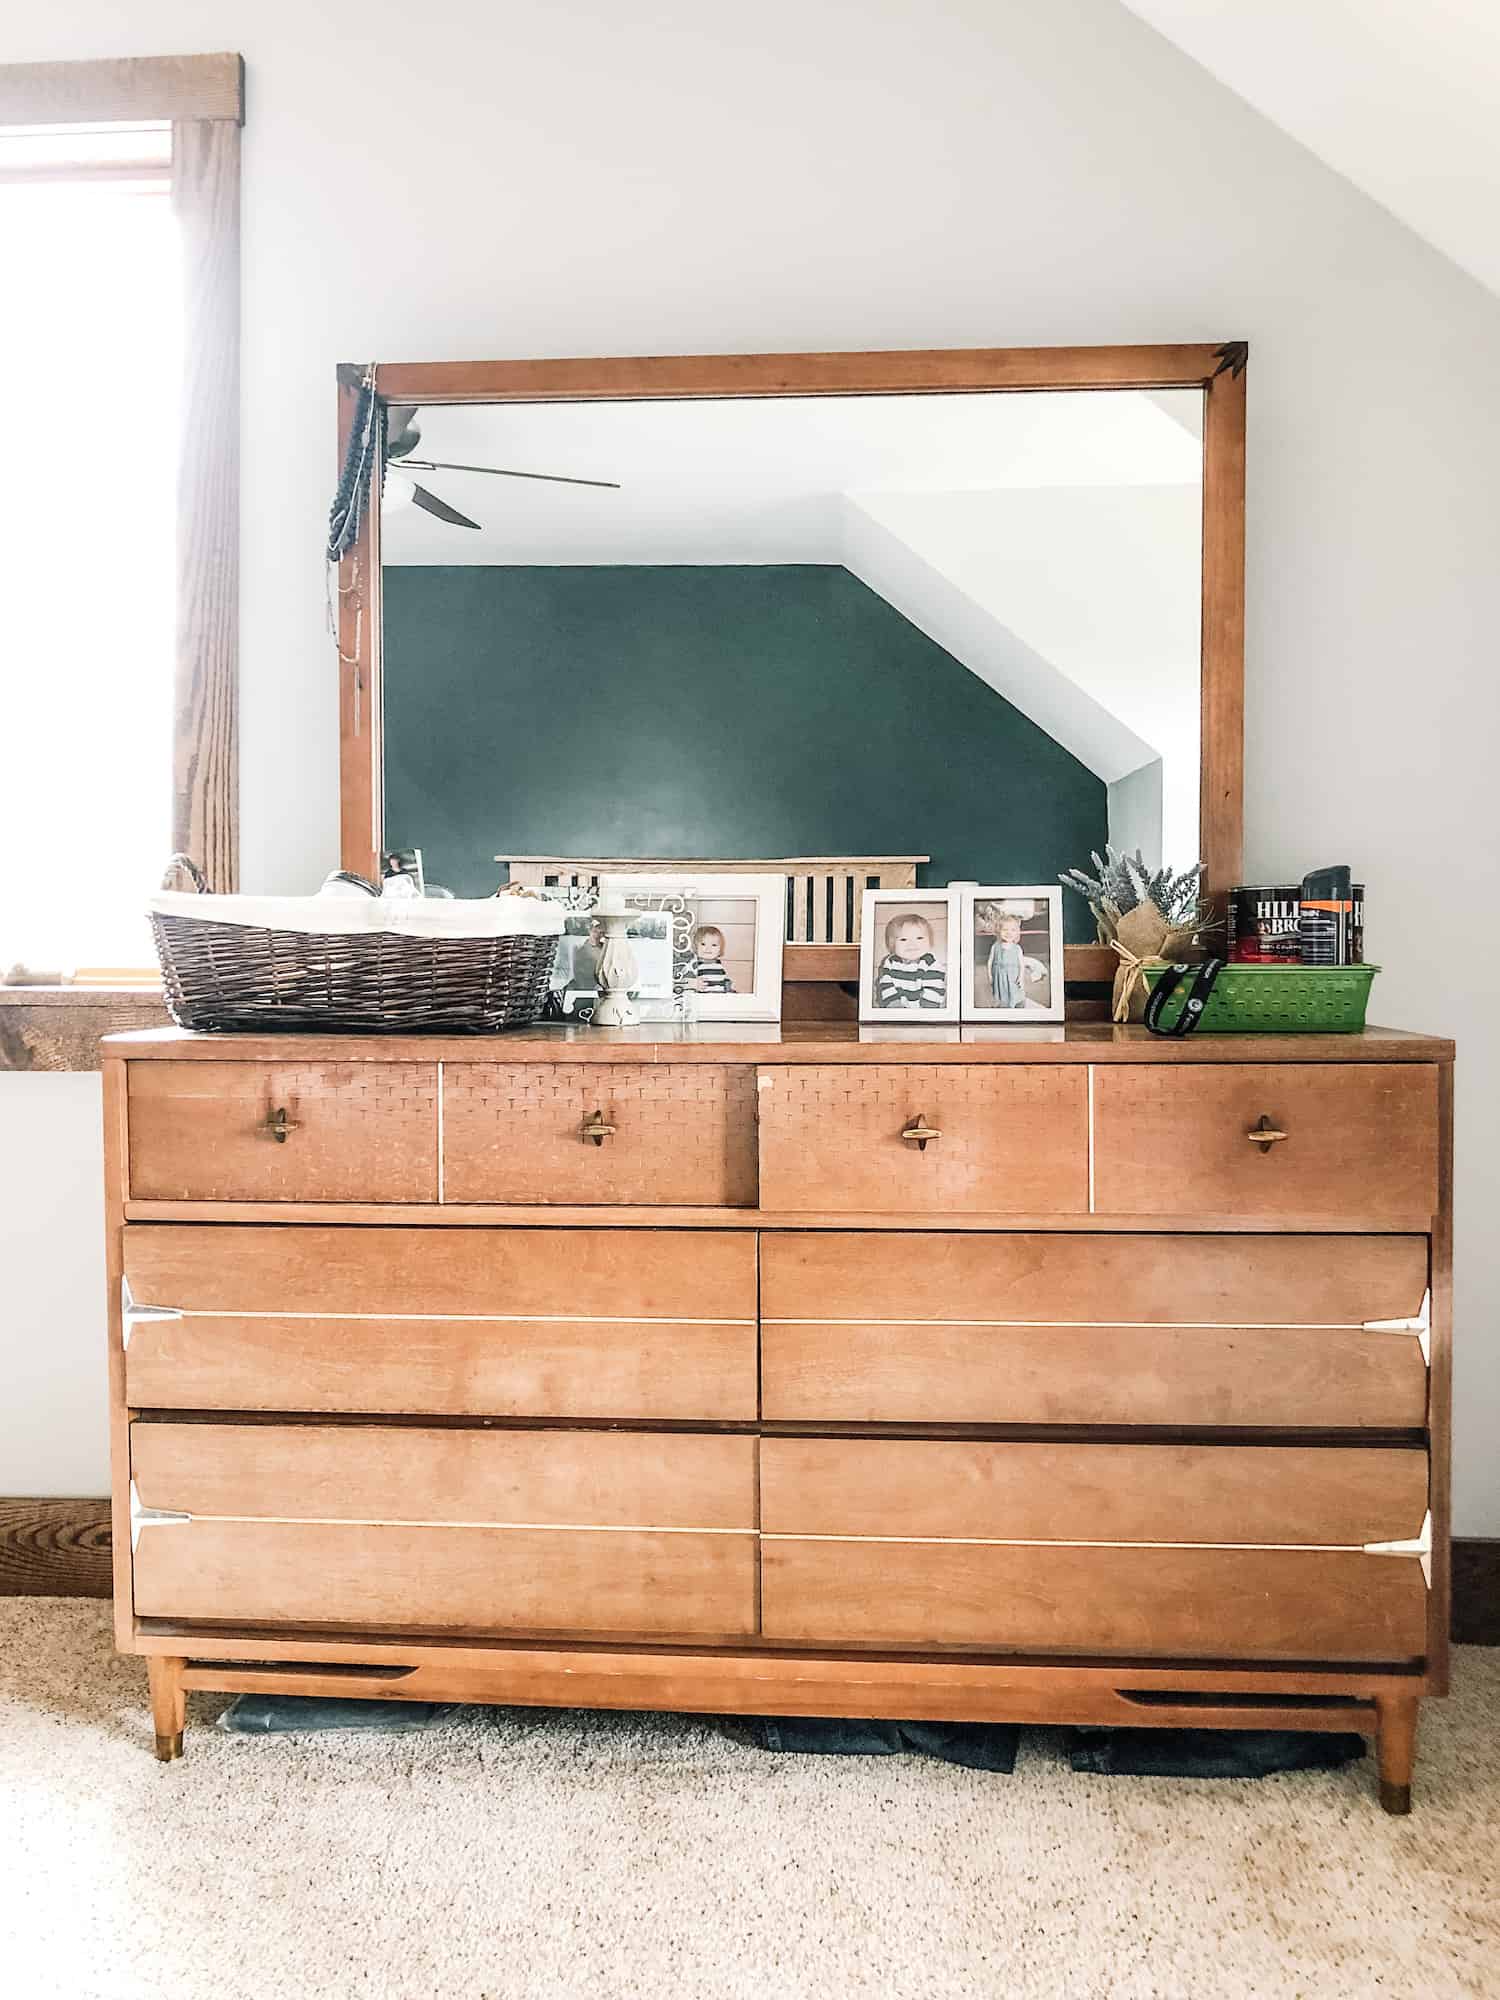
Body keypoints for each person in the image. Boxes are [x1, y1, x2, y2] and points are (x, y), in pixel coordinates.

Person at [875, 911, 946, 1009]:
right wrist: (894, 1006)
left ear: (930, 942)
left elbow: (935, 989)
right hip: (896, 1011)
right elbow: (886, 985)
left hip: (925, 1012)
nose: (912, 944)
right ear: (892, 944)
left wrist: (927, 1011)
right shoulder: (890, 962)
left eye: (919, 938)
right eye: (903, 939)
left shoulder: (931, 963)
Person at [983, 908, 1047, 1009]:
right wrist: (990, 976)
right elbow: (990, 962)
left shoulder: (1017, 948)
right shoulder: (995, 946)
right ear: (999, 931)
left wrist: (1020, 978)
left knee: (1014, 992)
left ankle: (1015, 1004)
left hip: (1013, 976)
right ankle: (1003, 1004)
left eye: (1013, 930)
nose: (1009, 933)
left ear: (1017, 933)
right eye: (1005, 929)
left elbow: (1021, 965)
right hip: (999, 976)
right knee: (1001, 993)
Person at [683, 923, 735, 993]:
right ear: (695, 946)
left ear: (720, 949)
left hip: (717, 999)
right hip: (700, 999)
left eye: (714, 945)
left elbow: (722, 980)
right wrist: (693, 984)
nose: (708, 948)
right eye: (703, 944)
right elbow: (682, 982)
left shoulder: (718, 965)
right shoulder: (693, 964)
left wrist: (729, 985)